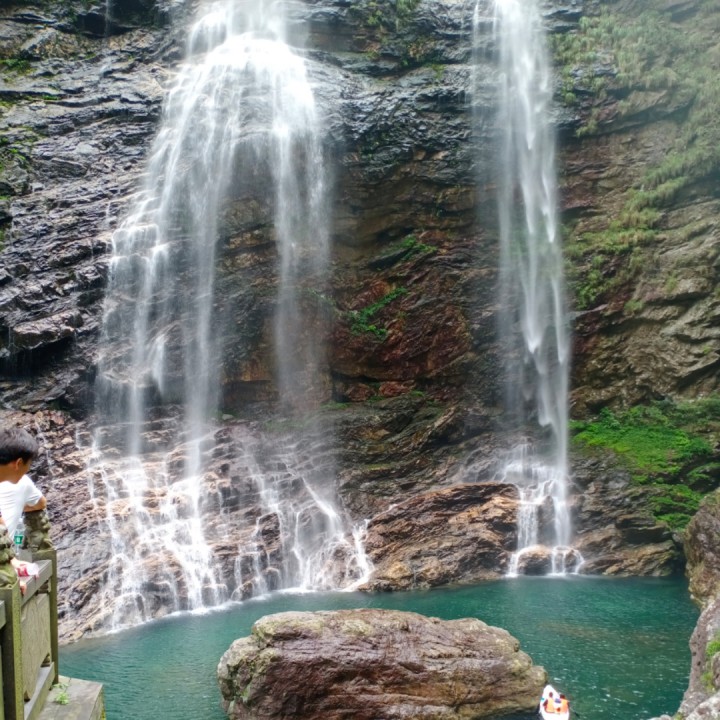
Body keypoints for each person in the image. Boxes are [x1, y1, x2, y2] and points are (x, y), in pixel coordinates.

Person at [0, 427, 47, 555]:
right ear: (19, 463)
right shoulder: (23, 483)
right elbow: (41, 503)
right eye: (29, 464)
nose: (28, 470)